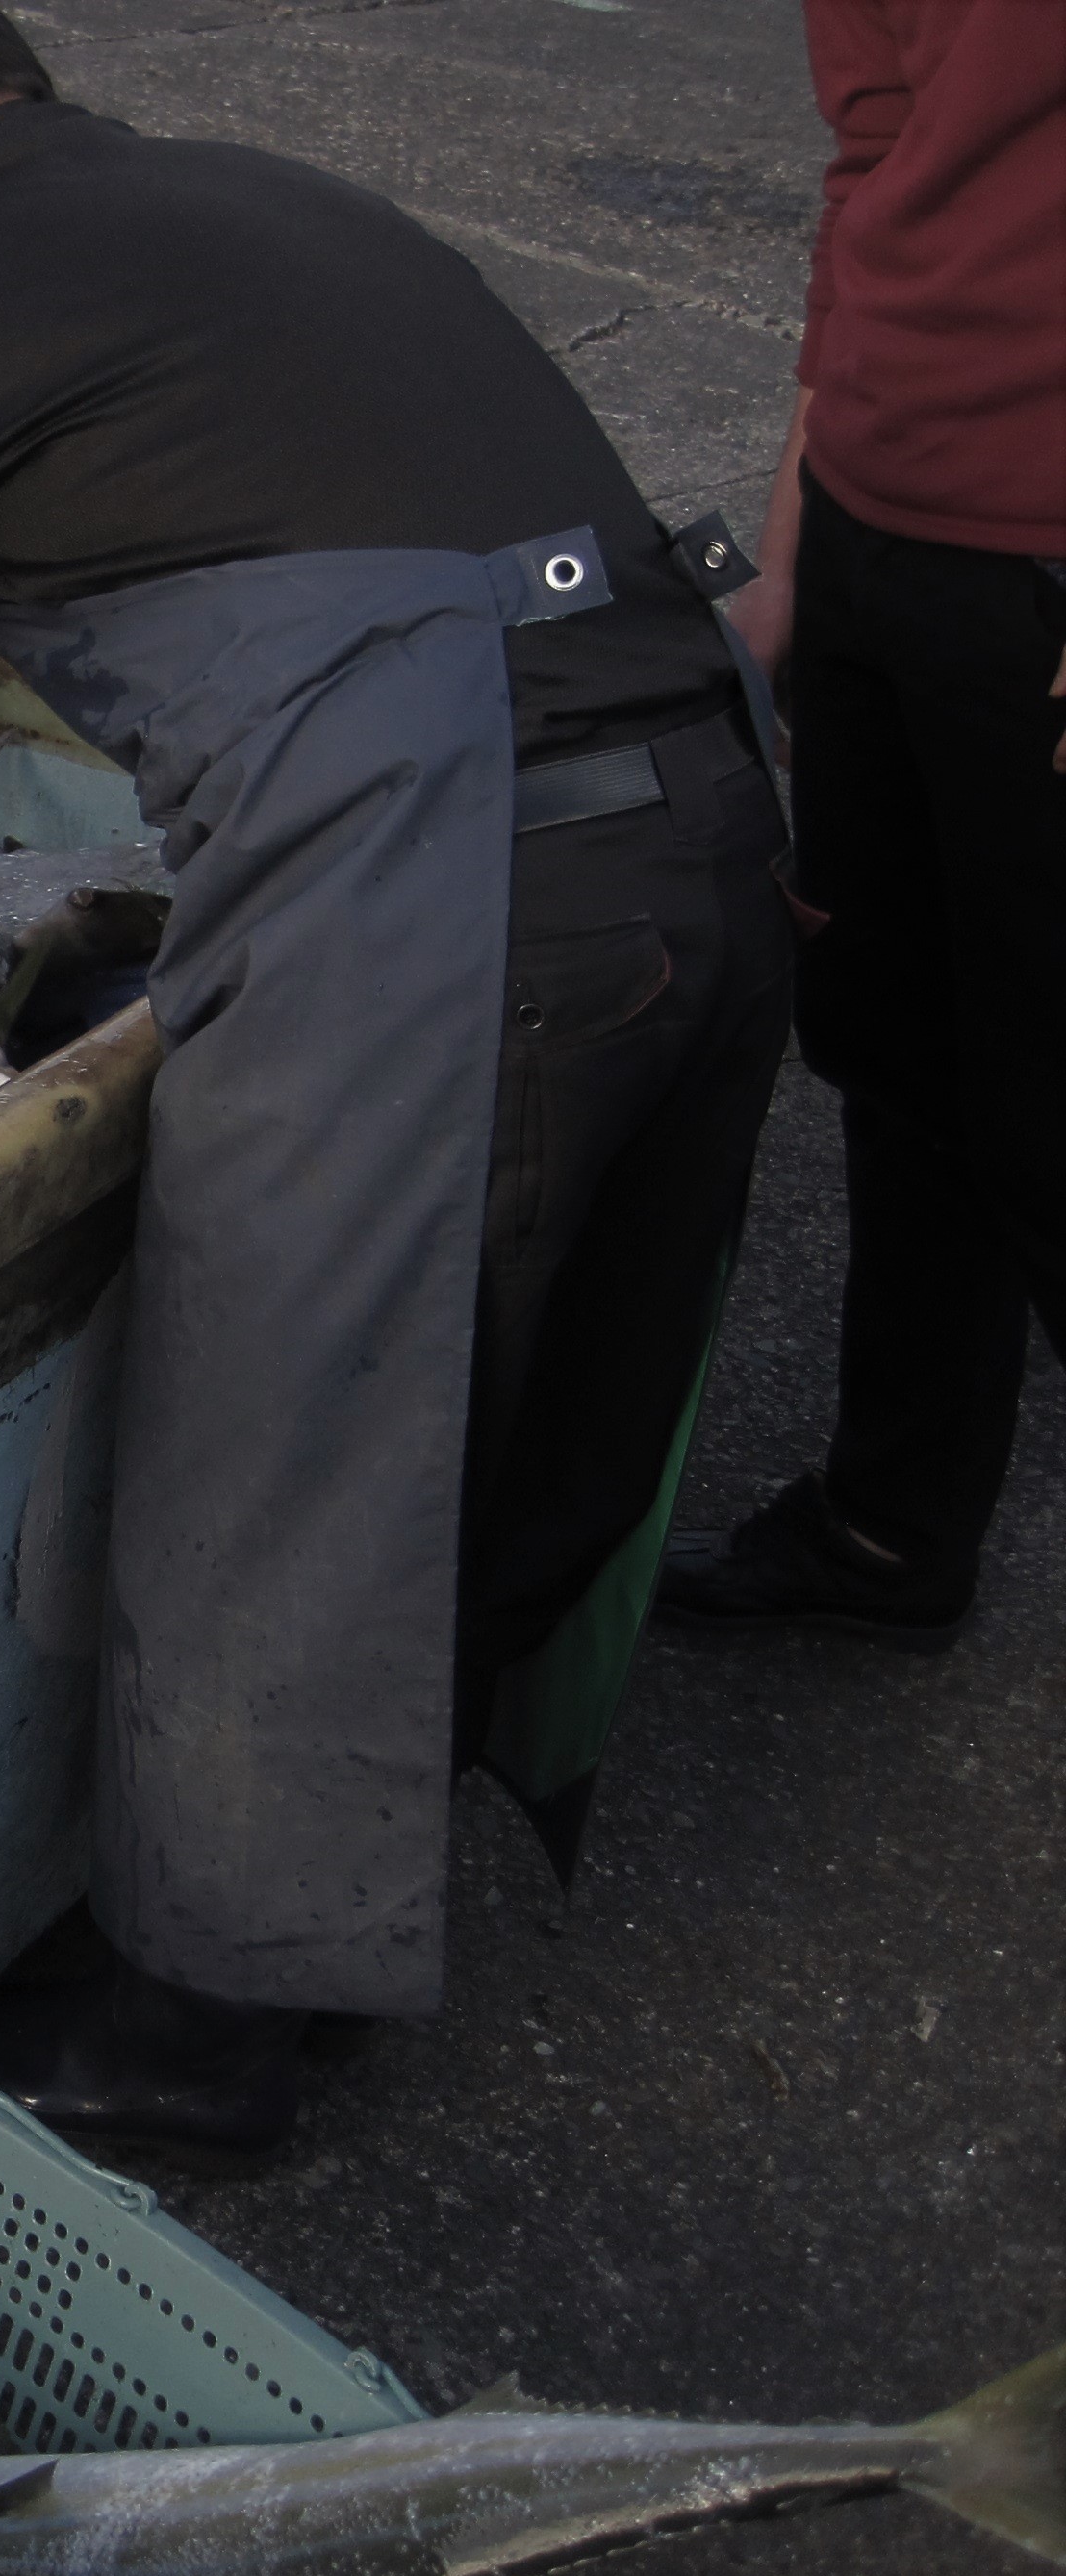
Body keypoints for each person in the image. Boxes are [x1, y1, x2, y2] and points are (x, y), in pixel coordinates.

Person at [0, 0, 795, 2152]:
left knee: (282, 1419)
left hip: (470, 875)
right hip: (713, 817)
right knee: (520, 1371)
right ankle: (360, 1874)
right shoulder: (254, 199)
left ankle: (203, 2031)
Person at [654, 0, 1065, 1650]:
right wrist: (792, 551)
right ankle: (892, 1529)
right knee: (898, 1059)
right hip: (882, 526)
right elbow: (872, 167)